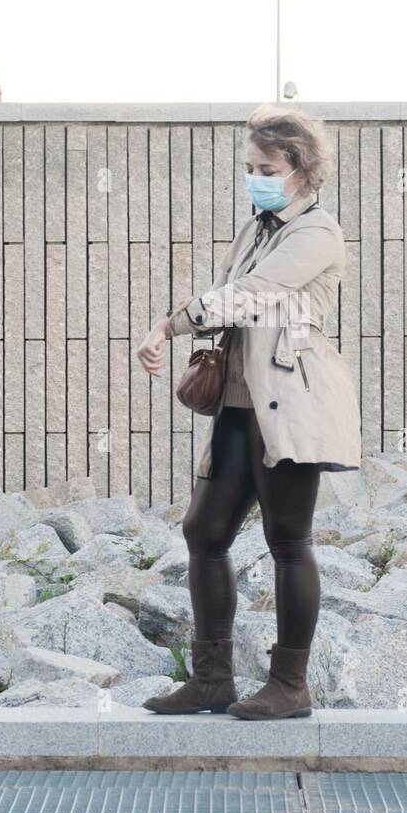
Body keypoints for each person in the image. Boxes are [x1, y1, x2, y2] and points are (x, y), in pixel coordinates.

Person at [134, 103, 362, 719]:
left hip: (289, 401)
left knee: (288, 540)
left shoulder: (316, 234)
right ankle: (212, 679)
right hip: (239, 402)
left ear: (302, 170)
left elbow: (248, 297)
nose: (254, 177)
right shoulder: (258, 227)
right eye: (248, 166)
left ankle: (290, 686)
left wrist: (168, 324)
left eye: (265, 167)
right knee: (204, 533)